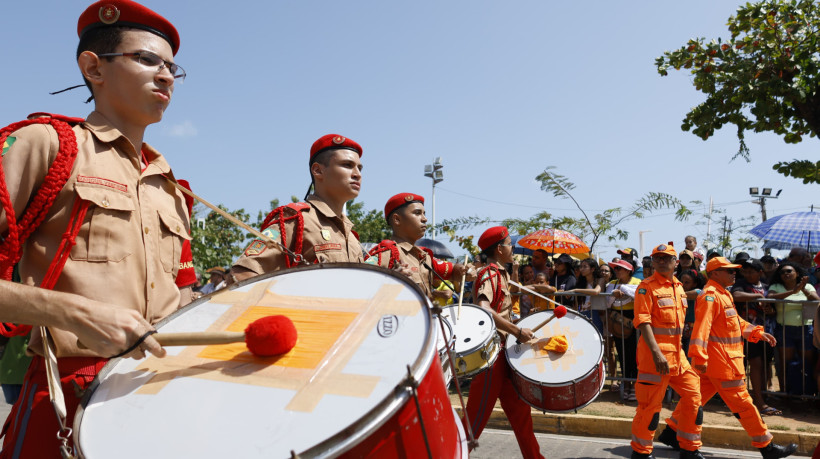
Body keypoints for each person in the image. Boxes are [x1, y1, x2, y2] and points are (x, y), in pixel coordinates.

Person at [0, 1, 195, 455]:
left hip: (164, 395)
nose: (166, 76)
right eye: (147, 60)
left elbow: (186, 297)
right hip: (67, 395)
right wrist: (76, 313)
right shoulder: (47, 144)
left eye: (173, 68)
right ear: (94, 67)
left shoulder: (172, 188)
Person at [660, 257, 797, 459]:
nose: (734, 273)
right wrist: (699, 359)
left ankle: (672, 433)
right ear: (714, 273)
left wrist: (757, 333)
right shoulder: (710, 296)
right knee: (744, 404)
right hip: (721, 363)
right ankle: (766, 446)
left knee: (694, 400)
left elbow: (736, 324)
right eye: (729, 270)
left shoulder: (722, 294)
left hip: (718, 363)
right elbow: (701, 329)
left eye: (734, 270)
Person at [232, 134, 364, 280]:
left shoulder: (352, 237)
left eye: (360, 168)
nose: (357, 174)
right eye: (347, 165)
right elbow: (243, 272)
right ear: (318, 171)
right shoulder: (296, 219)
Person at [462, 226, 543, 459]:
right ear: (499, 249)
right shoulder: (489, 273)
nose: (512, 249)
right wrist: (517, 330)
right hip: (492, 356)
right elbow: (484, 309)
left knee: (521, 414)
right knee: (475, 421)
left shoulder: (501, 273)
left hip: (505, 354)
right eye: (510, 245)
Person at [630, 243, 703, 459]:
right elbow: (643, 322)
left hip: (678, 356)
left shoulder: (679, 287)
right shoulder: (646, 287)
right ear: (652, 262)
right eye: (657, 258)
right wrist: (656, 353)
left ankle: (689, 449)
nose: (661, 262)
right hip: (654, 356)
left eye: (666, 258)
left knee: (693, 397)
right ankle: (641, 452)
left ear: (675, 263)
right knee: (650, 407)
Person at [364, 192, 467, 301]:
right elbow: (361, 291)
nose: (424, 219)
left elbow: (453, 271)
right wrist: (392, 281)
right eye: (417, 213)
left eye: (424, 213)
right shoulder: (385, 255)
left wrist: (464, 270)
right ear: (397, 219)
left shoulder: (423, 256)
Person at [732, 259, 779, 415]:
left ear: (760, 272)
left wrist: (768, 308)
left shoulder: (767, 287)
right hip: (747, 333)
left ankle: (762, 397)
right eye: (745, 271)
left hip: (765, 332)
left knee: (765, 365)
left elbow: (773, 310)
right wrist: (757, 297)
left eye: (751, 271)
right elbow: (737, 295)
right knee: (754, 364)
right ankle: (758, 401)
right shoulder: (740, 283)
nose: (747, 274)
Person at [766, 262, 819, 395]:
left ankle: (808, 393)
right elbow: (770, 297)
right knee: (785, 364)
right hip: (785, 330)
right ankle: (786, 393)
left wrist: (802, 289)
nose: (786, 274)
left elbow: (816, 300)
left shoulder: (808, 286)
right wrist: (793, 291)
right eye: (782, 272)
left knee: (807, 362)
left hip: (806, 330)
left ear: (797, 273)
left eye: (789, 271)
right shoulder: (776, 286)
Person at [607, 258, 640, 401]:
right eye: (615, 269)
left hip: (633, 319)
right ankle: (626, 383)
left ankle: (633, 384)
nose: (617, 271)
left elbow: (638, 296)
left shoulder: (637, 283)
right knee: (621, 352)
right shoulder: (612, 284)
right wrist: (615, 293)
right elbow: (607, 302)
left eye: (619, 268)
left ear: (628, 271)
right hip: (617, 319)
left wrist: (621, 290)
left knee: (634, 352)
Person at [570, 258, 607, 335]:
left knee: (596, 337)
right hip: (581, 313)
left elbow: (596, 291)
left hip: (595, 313)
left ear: (592, 269)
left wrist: (576, 290)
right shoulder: (580, 282)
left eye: (585, 267)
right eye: (581, 267)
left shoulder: (600, 280)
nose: (581, 269)